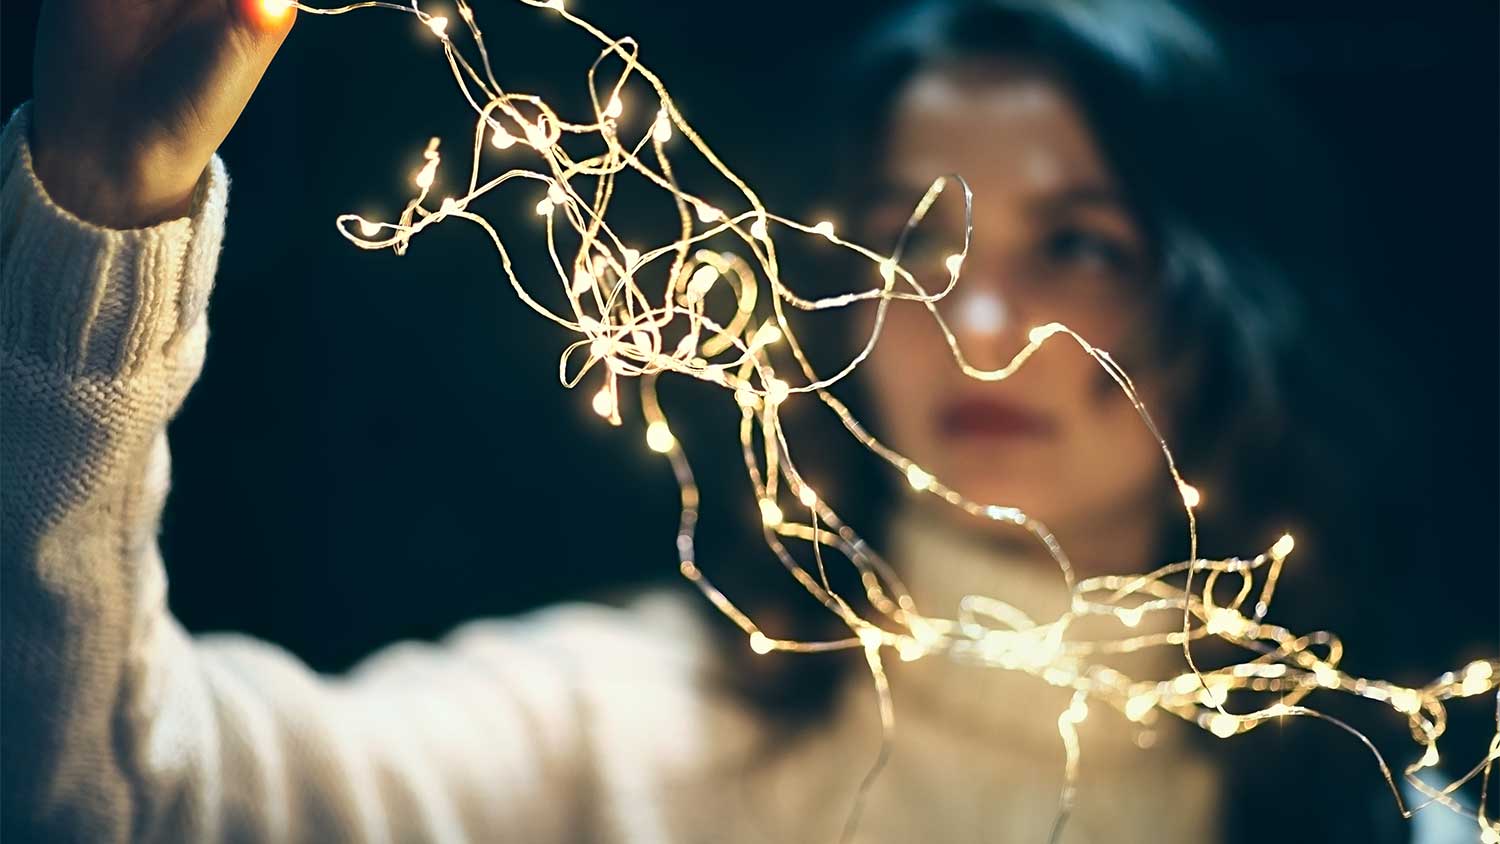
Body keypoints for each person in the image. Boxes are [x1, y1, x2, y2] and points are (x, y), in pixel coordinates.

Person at [0, 0, 1461, 842]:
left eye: (1077, 244)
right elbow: (118, 799)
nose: (982, 327)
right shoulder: (619, 735)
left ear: (1219, 301)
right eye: (912, 245)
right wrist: (99, 208)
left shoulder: (1379, 811)